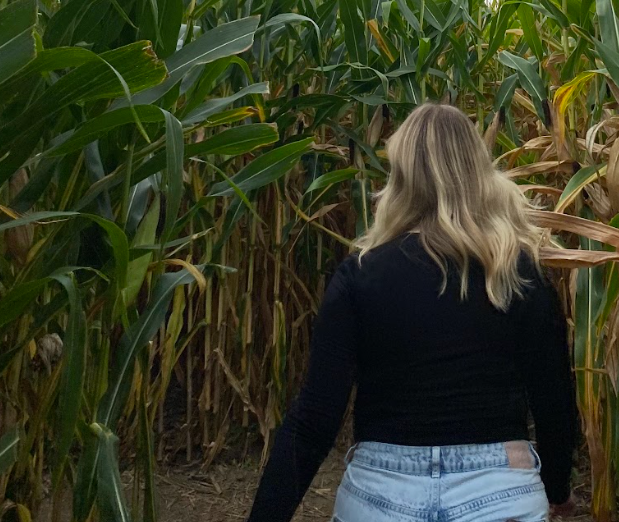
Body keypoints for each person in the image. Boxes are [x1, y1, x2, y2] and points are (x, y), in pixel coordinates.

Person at [247, 103, 578, 522]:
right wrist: (557, 490)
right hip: (498, 492)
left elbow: (314, 419)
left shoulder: (360, 276)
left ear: (401, 176)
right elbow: (553, 399)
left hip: (380, 495)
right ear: (478, 171)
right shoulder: (517, 273)